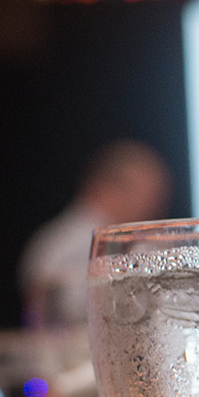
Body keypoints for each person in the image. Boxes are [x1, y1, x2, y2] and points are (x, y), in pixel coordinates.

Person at [18, 140, 172, 329]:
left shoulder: (131, 239)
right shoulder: (75, 239)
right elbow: (63, 313)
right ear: (110, 188)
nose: (156, 208)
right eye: (148, 195)